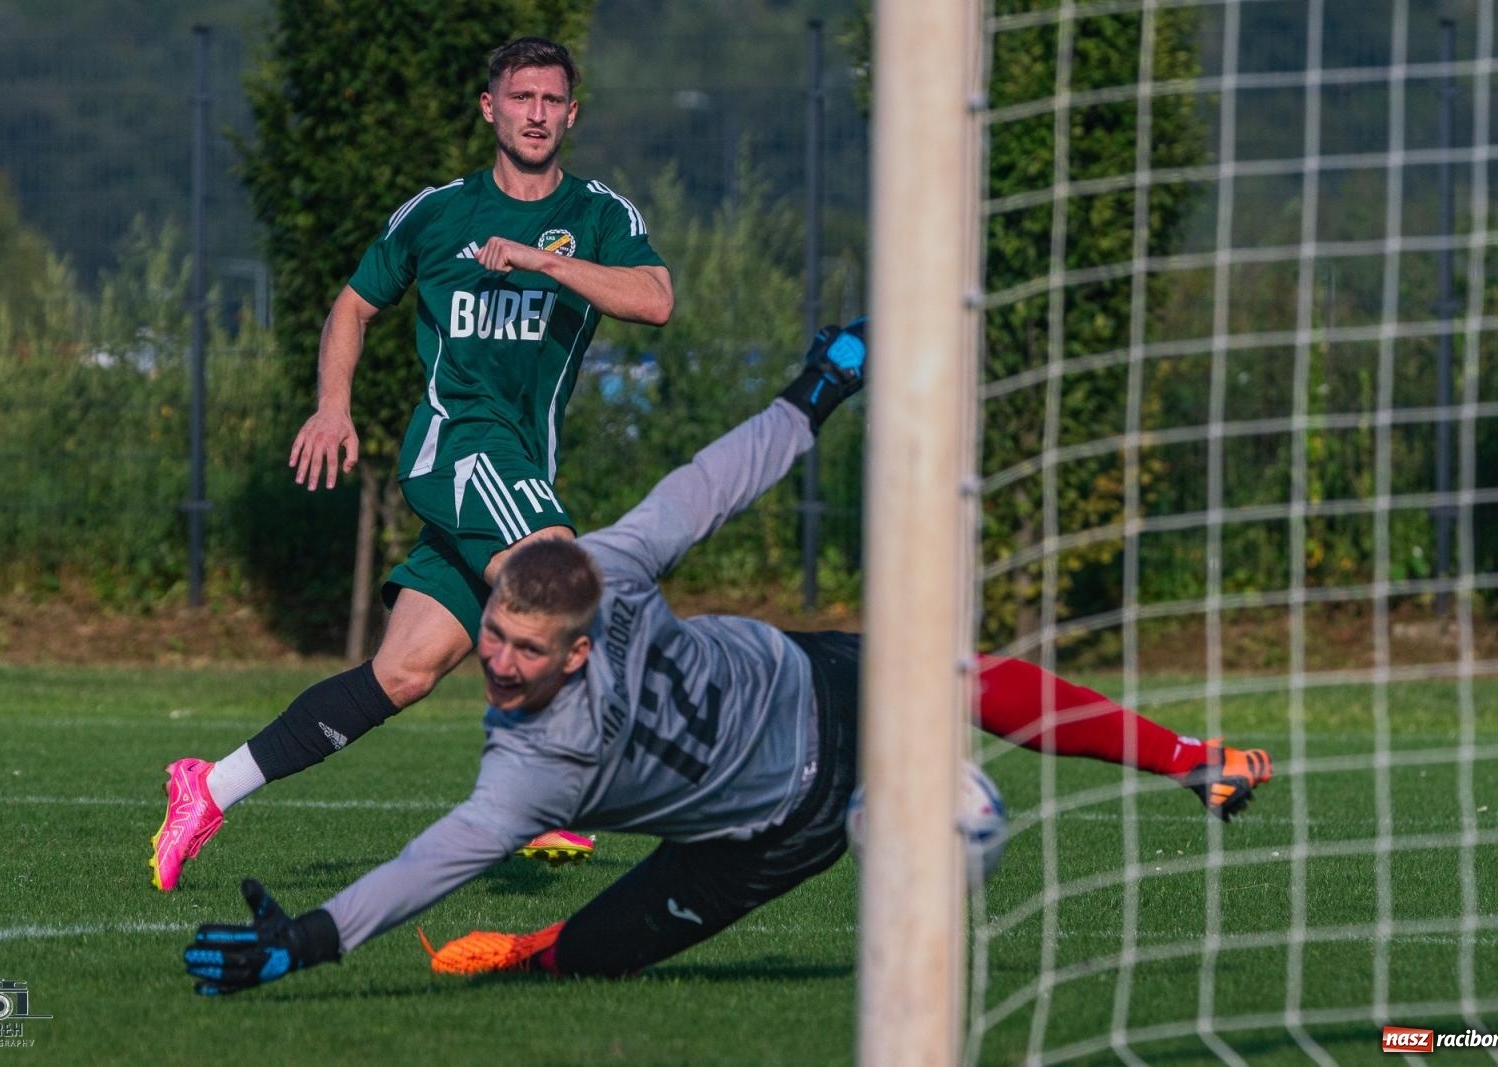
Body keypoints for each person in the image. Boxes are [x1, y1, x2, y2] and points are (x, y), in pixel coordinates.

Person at [179, 319, 1273, 994]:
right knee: (582, 962)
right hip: (751, 834)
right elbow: (710, 482)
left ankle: (1192, 759)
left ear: (576, 649)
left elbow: (708, 482)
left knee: (954, 672)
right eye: (495, 635)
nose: (498, 661)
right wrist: (814, 390)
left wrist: (816, 390)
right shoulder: (568, 658)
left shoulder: (561, 694)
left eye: (525, 650)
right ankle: (538, 946)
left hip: (810, 715)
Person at [150, 36, 674, 892]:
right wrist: (333, 406)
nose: (536, 114)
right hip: (459, 447)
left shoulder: (598, 215)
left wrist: (545, 259)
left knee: (401, 673)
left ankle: (209, 786)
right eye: (521, 98)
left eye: (551, 100)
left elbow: (655, 300)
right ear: (490, 108)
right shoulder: (436, 214)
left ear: (572, 115)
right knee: (560, 580)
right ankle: (547, 790)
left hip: (519, 465)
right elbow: (353, 305)